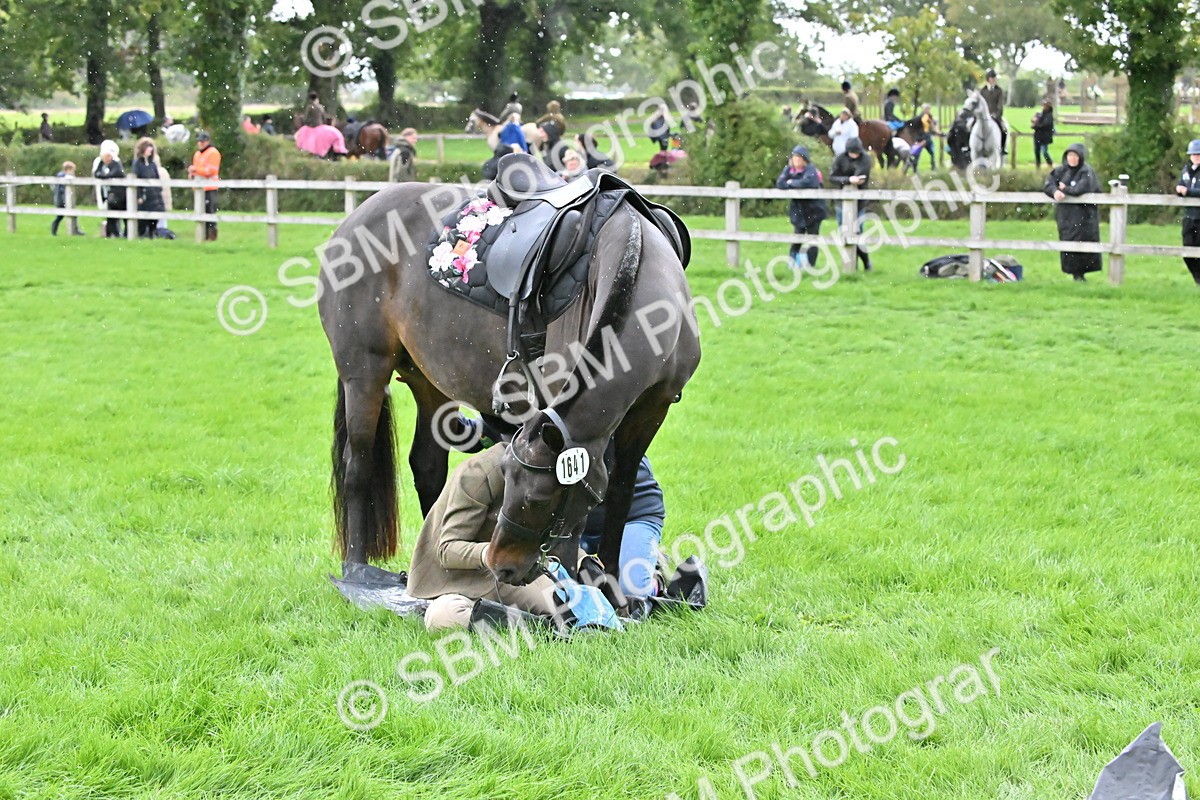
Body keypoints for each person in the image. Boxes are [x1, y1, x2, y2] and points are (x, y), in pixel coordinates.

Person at [406, 444, 578, 631]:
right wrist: (496, 554)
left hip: (515, 574)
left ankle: (535, 627)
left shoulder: (550, 475)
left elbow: (553, 539)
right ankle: (534, 628)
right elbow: (447, 549)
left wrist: (584, 560)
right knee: (441, 617)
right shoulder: (478, 473)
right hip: (459, 580)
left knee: (563, 611)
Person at [579, 453, 665, 600]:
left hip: (633, 515)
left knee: (632, 593)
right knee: (564, 589)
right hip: (574, 523)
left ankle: (656, 574)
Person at [1044, 143, 1102, 281]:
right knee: (1068, 243)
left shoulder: (1086, 171)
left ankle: (1081, 275)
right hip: (1066, 217)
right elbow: (1048, 184)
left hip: (1084, 216)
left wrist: (1065, 188)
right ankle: (1075, 274)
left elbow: (1080, 189)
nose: (1072, 159)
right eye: (1070, 155)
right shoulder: (1061, 171)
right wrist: (1055, 191)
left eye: (1075, 156)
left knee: (1084, 243)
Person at [776, 144, 827, 271]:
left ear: (804, 159)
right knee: (797, 238)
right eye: (794, 158)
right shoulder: (788, 170)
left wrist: (791, 183)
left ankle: (810, 266)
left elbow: (809, 182)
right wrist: (794, 184)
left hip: (814, 210)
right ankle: (791, 264)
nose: (796, 160)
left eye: (799, 158)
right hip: (798, 211)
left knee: (812, 239)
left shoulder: (811, 170)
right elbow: (780, 183)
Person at [829, 136, 872, 272]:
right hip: (842, 202)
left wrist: (855, 179)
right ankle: (851, 265)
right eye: (852, 152)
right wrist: (848, 179)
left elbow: (862, 175)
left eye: (856, 152)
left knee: (858, 233)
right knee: (845, 233)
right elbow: (832, 177)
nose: (854, 155)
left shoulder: (865, 159)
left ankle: (866, 263)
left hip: (859, 202)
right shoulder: (840, 158)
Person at [188, 131, 221, 242]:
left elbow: (210, 171)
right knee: (200, 211)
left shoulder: (213, 153)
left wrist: (195, 170)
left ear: (208, 141)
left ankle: (211, 236)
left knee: (210, 212)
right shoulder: (197, 154)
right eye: (199, 141)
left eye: (203, 141)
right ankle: (202, 235)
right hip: (199, 188)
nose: (201, 143)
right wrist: (192, 173)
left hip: (210, 187)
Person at [1175, 139, 1200, 285]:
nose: (1196, 157)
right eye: (1193, 154)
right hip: (1189, 217)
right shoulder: (1186, 170)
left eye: (1198, 154)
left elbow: (1189, 190)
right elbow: (1181, 185)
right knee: (1187, 252)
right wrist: (1179, 190)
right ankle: (1198, 280)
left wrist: (1188, 192)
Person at [132, 137, 164, 239]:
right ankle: (142, 235)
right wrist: (139, 195)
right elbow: (137, 180)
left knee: (155, 216)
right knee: (143, 217)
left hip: (154, 194)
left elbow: (157, 178)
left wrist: (158, 190)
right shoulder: (137, 164)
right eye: (148, 147)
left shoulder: (152, 164)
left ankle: (152, 233)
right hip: (145, 195)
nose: (150, 149)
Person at [93, 140, 126, 239]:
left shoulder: (116, 163)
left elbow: (114, 174)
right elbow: (97, 174)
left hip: (118, 193)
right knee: (110, 215)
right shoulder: (99, 162)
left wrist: (104, 176)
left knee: (118, 214)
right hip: (107, 192)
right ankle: (112, 234)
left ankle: (119, 234)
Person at [50, 161, 84, 236]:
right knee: (62, 216)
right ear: (68, 169)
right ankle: (55, 230)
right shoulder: (63, 177)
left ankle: (74, 230)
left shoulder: (61, 176)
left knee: (66, 215)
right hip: (62, 200)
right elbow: (62, 190)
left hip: (62, 200)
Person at [980, 69, 1008, 155]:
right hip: (983, 116)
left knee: (1004, 129)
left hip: (995, 116)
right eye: (992, 78)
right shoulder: (982, 90)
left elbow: (1000, 105)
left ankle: (1002, 148)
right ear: (988, 79)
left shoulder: (999, 90)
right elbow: (980, 103)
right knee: (970, 126)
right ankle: (969, 147)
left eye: (995, 78)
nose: (994, 80)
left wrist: (996, 114)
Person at [1031, 101, 1055, 168]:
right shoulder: (1040, 114)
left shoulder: (1049, 116)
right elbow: (1035, 120)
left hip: (1045, 137)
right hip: (1037, 136)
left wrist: (1036, 126)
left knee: (1044, 152)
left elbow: (1045, 125)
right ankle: (1038, 164)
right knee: (1036, 151)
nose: (1044, 107)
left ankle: (1049, 163)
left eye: (1045, 106)